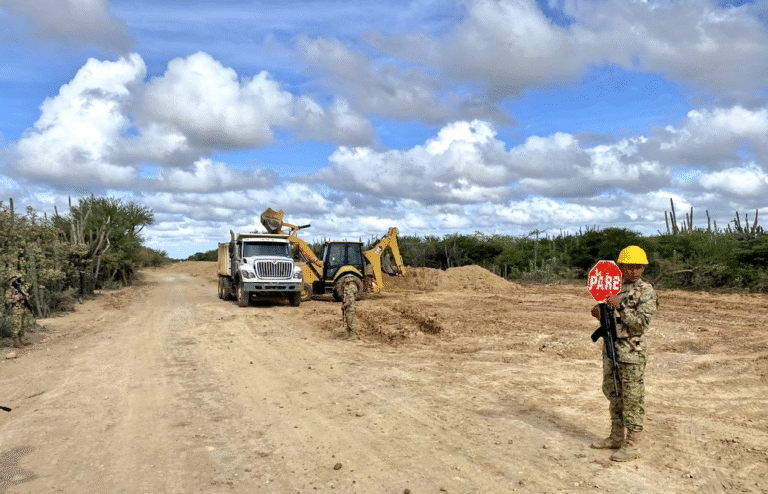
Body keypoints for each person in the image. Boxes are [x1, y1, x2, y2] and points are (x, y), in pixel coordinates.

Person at [590, 245, 658, 462]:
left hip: (631, 353)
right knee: (614, 393)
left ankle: (632, 445)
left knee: (632, 398)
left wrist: (619, 307)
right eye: (630, 266)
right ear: (621, 266)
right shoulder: (616, 288)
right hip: (612, 350)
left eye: (639, 267)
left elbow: (640, 324)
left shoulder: (646, 291)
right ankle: (616, 437)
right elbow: (612, 318)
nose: (635, 271)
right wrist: (601, 313)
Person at [5, 273, 31, 348]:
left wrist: (25, 297)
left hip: (23, 308)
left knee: (23, 325)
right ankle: (16, 342)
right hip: (16, 310)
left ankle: (22, 340)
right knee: (16, 326)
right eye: (16, 280)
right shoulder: (10, 289)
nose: (18, 281)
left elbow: (26, 295)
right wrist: (17, 297)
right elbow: (7, 300)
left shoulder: (21, 288)